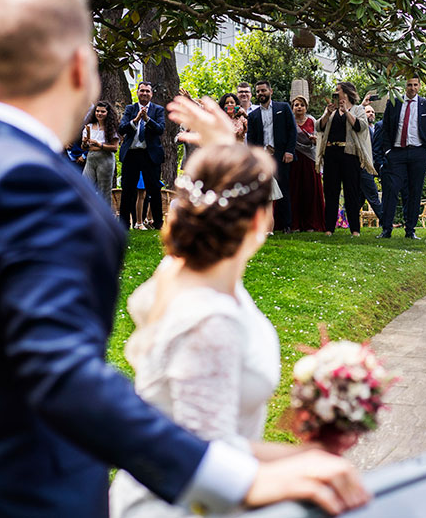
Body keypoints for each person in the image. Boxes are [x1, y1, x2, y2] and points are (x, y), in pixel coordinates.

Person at [0, 0, 366, 517]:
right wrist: (229, 478)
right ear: (79, 68)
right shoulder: (43, 189)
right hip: (22, 496)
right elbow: (58, 373)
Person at [110, 103, 369, 516]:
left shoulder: (181, 274)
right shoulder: (209, 320)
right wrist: (304, 462)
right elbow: (205, 452)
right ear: (259, 221)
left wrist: (223, 150)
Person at [379, 77, 426, 239]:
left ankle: (410, 230)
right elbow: (386, 129)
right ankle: (386, 229)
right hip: (396, 153)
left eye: (415, 85)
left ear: (419, 86)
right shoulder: (393, 103)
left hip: (418, 153)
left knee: (414, 192)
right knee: (391, 190)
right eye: (409, 85)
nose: (412, 88)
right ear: (404, 87)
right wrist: (388, 151)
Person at [317, 82, 376, 236]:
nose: (335, 93)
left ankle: (355, 229)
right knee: (330, 192)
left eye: (338, 90)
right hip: (331, 153)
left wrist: (346, 112)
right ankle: (329, 228)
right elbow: (319, 127)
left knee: (352, 192)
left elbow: (361, 127)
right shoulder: (331, 109)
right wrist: (327, 114)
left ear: (346, 93)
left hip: (350, 155)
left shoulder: (358, 109)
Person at [247, 80, 296, 233]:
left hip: (281, 156)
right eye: (258, 92)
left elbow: (292, 131)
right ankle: (265, 226)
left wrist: (289, 151)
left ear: (271, 91)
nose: (260, 94)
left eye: (263, 90)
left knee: (283, 189)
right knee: (264, 192)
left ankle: (286, 225)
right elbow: (251, 140)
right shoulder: (253, 115)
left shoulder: (283, 108)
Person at [119, 81, 167, 229]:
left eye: (147, 91)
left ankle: (158, 224)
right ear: (137, 93)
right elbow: (122, 128)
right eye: (142, 91)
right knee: (127, 190)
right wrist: (136, 119)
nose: (144, 93)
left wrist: (147, 119)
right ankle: (124, 224)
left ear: (151, 94)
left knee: (154, 190)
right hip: (132, 154)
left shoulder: (158, 110)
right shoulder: (130, 109)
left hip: (150, 155)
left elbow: (160, 129)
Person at [290, 94, 325, 232]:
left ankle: (311, 223)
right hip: (293, 159)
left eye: (302, 105)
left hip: (309, 159)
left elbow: (320, 138)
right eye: (296, 105)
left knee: (310, 191)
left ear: (306, 108)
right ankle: (294, 223)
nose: (299, 107)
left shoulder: (312, 121)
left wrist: (315, 140)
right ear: (292, 107)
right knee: (294, 191)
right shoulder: (289, 120)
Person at [81, 100, 120, 202]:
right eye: (97, 111)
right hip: (91, 159)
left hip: (105, 160)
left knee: (104, 191)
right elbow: (84, 148)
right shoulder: (88, 126)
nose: (99, 114)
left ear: (108, 113)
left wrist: (99, 145)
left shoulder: (111, 128)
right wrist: (85, 143)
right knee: (85, 186)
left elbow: (114, 147)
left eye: (103, 111)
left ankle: (105, 216)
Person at [360, 104, 384, 226]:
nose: (371, 114)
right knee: (373, 194)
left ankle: (344, 220)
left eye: (373, 112)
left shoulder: (376, 128)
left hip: (374, 165)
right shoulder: (363, 129)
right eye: (368, 111)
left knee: (360, 197)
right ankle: (384, 221)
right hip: (364, 166)